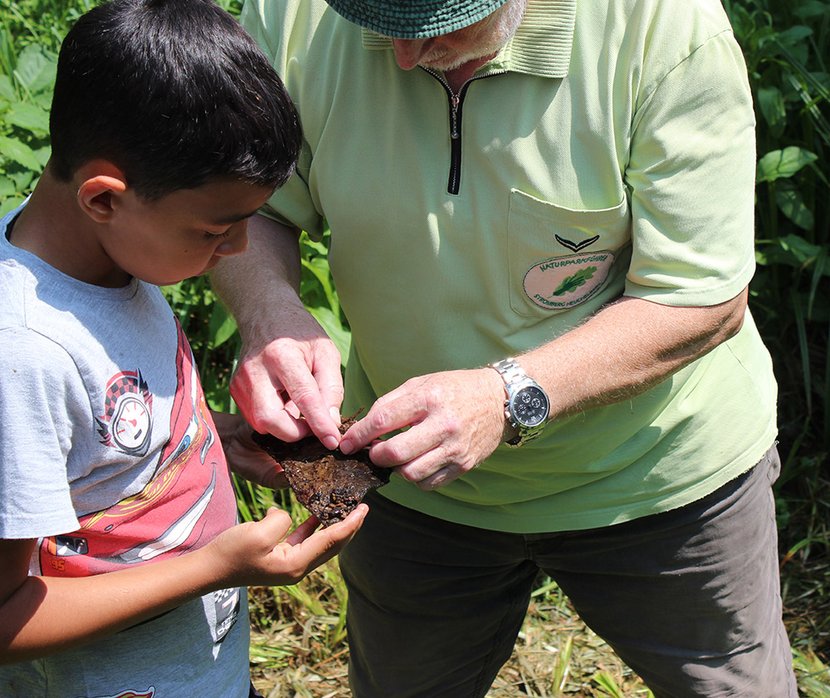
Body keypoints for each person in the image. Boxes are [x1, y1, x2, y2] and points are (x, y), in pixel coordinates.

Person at [211, 0, 797, 695]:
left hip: (658, 480)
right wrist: (268, 311)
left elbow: (699, 296)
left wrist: (506, 395)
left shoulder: (663, 27)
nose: (401, 54)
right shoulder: (292, 13)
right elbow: (243, 207)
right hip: (412, 489)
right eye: (379, 21)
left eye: (440, 21)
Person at [0, 1, 367, 696]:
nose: (236, 250)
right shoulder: (22, 356)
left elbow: (93, 459)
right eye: (215, 231)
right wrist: (216, 567)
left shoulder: (112, 258)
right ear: (103, 198)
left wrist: (221, 442)